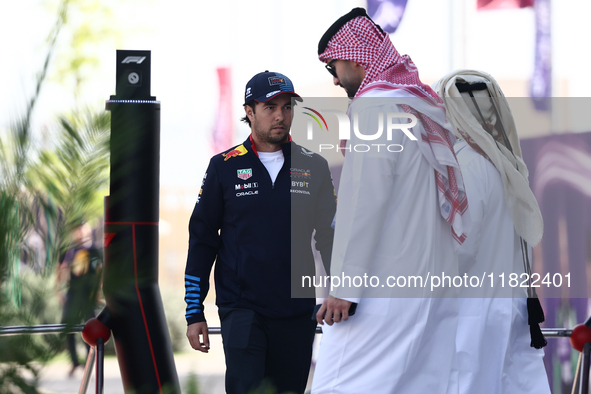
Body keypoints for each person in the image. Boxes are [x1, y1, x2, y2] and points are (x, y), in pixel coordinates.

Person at [311, 8, 469, 393]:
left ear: (354, 57)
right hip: (432, 288)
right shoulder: (418, 106)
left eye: (333, 67)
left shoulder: (374, 110)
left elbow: (364, 205)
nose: (334, 80)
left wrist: (344, 288)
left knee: (334, 385)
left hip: (381, 292)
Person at [184, 71, 336, 394]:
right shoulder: (223, 166)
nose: (280, 115)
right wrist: (193, 310)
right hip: (242, 310)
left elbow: (329, 237)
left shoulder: (314, 166)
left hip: (297, 312)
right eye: (270, 107)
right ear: (250, 112)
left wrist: (343, 289)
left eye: (287, 107)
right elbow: (202, 239)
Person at [433, 69, 550, 394]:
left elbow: (461, 248)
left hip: (474, 313)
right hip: (509, 308)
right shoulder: (507, 166)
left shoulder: (466, 166)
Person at [57, 222, 103, 377]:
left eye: (82, 228)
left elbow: (99, 270)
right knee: (67, 326)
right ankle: (75, 362)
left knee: (89, 327)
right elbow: (60, 269)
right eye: (77, 229)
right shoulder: (69, 250)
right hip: (72, 294)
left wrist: (97, 292)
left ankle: (90, 363)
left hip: (88, 296)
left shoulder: (94, 249)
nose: (80, 232)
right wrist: (58, 290)